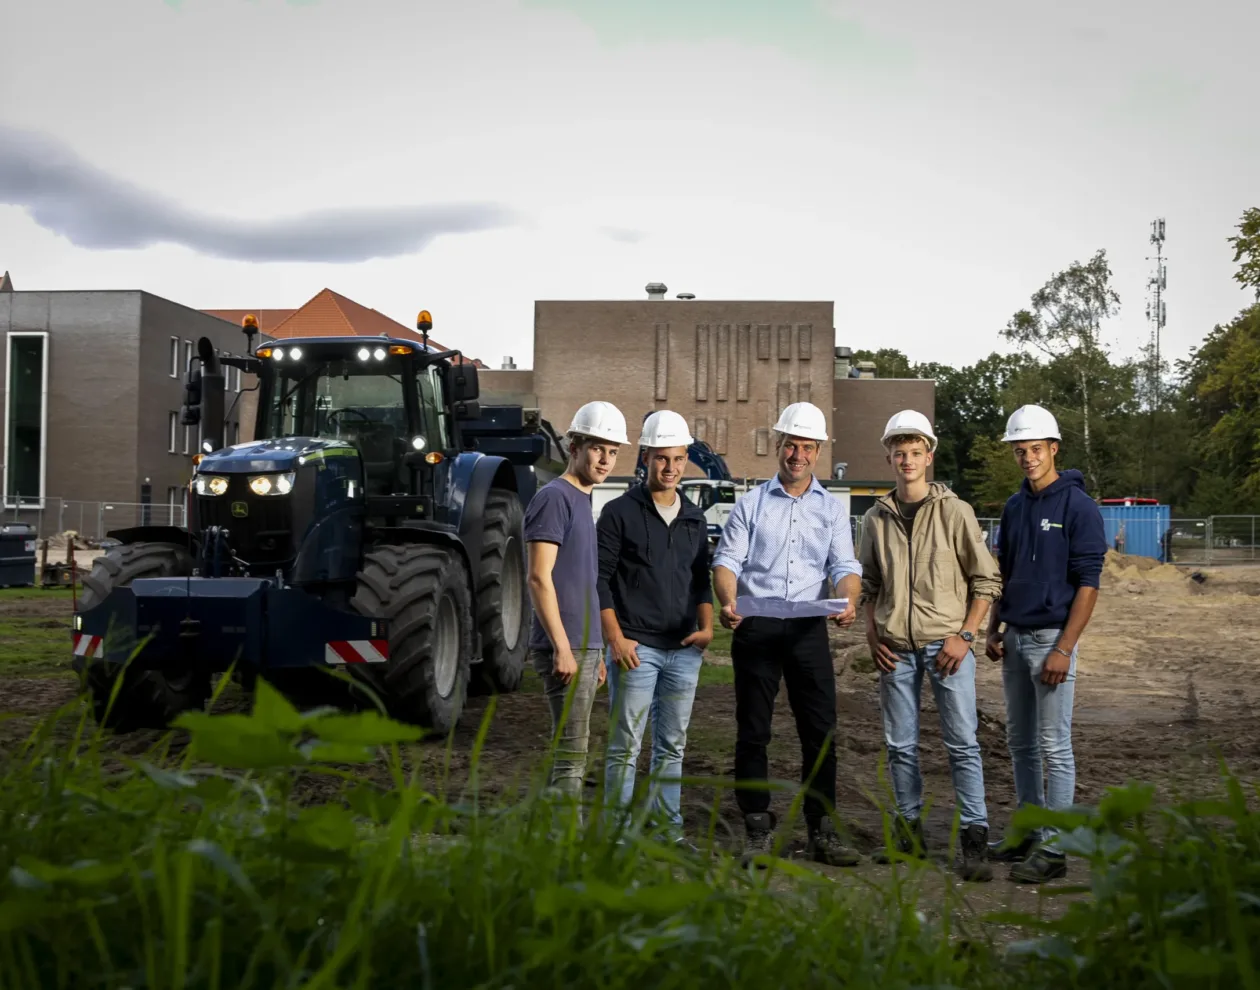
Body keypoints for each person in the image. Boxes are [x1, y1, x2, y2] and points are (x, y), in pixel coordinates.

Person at [711, 401, 863, 867]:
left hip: (807, 631)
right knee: (753, 731)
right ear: (779, 446)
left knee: (820, 731)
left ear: (818, 451)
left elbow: (844, 565)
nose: (797, 454)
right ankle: (757, 826)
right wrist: (727, 600)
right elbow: (727, 561)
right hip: (755, 626)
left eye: (807, 446)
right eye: (791, 444)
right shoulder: (751, 504)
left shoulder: (831, 510)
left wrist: (848, 598)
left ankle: (822, 829)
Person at [857, 410, 1002, 882]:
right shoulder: (876, 519)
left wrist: (966, 636)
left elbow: (986, 580)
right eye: (899, 453)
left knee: (962, 743)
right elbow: (870, 584)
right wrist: (873, 635)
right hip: (895, 648)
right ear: (889, 457)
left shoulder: (955, 512)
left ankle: (974, 839)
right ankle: (908, 837)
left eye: (915, 453)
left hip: (947, 647)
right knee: (900, 745)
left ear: (929, 456)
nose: (907, 461)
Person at [984, 404, 1107, 883]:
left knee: (1055, 746)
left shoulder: (1079, 507)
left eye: (1035, 449)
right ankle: (1028, 832)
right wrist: (995, 628)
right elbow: (1005, 574)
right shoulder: (1014, 509)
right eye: (1020, 450)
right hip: (1014, 638)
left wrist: (1065, 647)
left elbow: (1089, 583)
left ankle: (1054, 850)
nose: (1028, 458)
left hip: (1052, 640)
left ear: (1054, 448)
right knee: (1021, 743)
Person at [597, 410, 714, 843]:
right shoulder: (618, 514)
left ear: (686, 460)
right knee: (625, 746)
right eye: (662, 458)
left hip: (685, 650)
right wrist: (616, 638)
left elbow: (701, 579)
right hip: (637, 650)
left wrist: (707, 627)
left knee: (672, 745)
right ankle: (619, 835)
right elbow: (601, 579)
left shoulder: (695, 519)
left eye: (679, 459)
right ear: (645, 458)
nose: (671, 468)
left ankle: (668, 832)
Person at [525, 400, 627, 813]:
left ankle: (548, 842)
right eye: (597, 448)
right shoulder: (555, 498)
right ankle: (564, 852)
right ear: (574, 447)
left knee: (571, 748)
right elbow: (538, 577)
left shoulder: (583, 500)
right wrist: (564, 648)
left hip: (583, 647)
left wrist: (597, 651)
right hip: (563, 646)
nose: (606, 459)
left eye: (613, 451)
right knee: (571, 754)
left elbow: (581, 583)